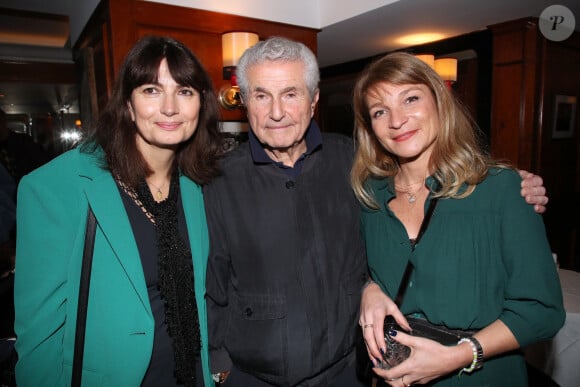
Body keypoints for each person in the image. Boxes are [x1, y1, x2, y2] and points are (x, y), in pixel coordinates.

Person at [204, 36, 549, 387]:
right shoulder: (216, 180)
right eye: (262, 96)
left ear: (313, 101)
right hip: (254, 377)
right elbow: (209, 285)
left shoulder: (354, 166)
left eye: (291, 94)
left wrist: (513, 184)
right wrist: (220, 369)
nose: (276, 112)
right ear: (245, 102)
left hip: (346, 372)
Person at [13, 35, 223, 387]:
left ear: (201, 104)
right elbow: (39, 340)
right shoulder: (57, 187)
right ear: (128, 103)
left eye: (184, 91)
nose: (170, 107)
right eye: (152, 90)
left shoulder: (198, 186)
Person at [352, 52, 565, 387]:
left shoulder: (499, 188)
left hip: (481, 377)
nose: (397, 120)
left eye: (410, 99)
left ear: (440, 100)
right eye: (380, 111)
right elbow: (358, 266)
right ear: (370, 128)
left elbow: (542, 310)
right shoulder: (369, 197)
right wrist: (370, 289)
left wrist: (460, 355)